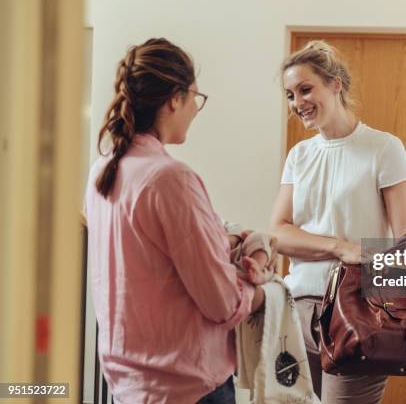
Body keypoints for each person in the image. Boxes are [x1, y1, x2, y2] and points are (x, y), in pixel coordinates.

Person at [84, 38, 275, 404]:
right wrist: (263, 290)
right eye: (195, 99)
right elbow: (221, 303)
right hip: (187, 388)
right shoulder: (170, 179)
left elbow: (147, 260)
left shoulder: (102, 171)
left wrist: (223, 243)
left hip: (127, 385)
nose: (195, 109)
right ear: (175, 98)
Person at [269, 40, 406, 403]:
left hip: (358, 315)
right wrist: (340, 247)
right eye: (290, 94)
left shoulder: (383, 148)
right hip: (297, 313)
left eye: (306, 89)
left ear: (335, 84)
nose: (297, 103)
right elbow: (278, 233)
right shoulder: (299, 156)